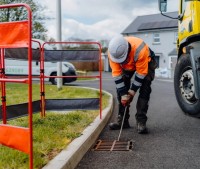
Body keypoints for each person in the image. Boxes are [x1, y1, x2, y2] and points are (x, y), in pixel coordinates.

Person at [108, 34, 157, 134]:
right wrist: (123, 95)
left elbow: (141, 74)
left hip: (146, 62)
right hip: (127, 66)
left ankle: (141, 121)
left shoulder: (140, 49)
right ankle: (123, 121)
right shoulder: (113, 53)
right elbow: (117, 75)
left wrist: (132, 92)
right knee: (121, 90)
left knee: (145, 89)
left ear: (127, 50)